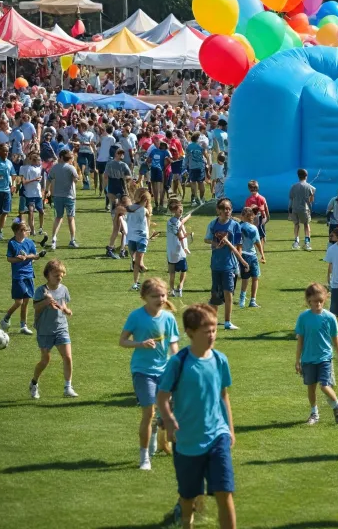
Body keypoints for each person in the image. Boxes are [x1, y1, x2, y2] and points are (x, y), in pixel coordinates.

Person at [157, 303, 236, 529]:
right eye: (206, 330)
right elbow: (162, 397)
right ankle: (185, 523)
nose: (211, 335)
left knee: (224, 492)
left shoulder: (220, 360)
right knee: (188, 497)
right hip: (187, 441)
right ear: (190, 333)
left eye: (214, 329)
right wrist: (170, 420)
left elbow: (223, 396)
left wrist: (229, 429)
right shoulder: (179, 363)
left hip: (217, 436)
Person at [119, 278, 179, 471]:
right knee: (149, 412)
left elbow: (173, 344)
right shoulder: (136, 317)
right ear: (144, 297)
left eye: (162, 295)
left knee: (169, 409)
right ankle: (144, 456)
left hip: (165, 370)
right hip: (142, 371)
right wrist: (140, 344)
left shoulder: (169, 318)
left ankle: (156, 434)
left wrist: (178, 365)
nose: (160, 299)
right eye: (154, 296)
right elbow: (123, 341)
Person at [294, 283, 338, 425]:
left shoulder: (329, 317)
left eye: (321, 301)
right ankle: (314, 413)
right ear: (308, 300)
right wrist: (297, 360)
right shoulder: (303, 317)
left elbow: (335, 338)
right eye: (315, 301)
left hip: (325, 358)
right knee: (311, 387)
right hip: (308, 359)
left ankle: (337, 406)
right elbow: (300, 341)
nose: (318, 304)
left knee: (324, 385)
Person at [30, 259, 77, 399]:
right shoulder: (41, 291)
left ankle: (68, 387)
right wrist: (46, 301)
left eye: (61, 274)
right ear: (48, 275)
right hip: (44, 330)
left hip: (61, 327)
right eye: (56, 275)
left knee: (68, 357)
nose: (59, 277)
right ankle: (34, 383)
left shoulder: (64, 289)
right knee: (45, 360)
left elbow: (64, 305)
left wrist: (67, 311)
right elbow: (36, 307)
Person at [205, 198, 248, 331]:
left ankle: (228, 322)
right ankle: (213, 321)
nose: (227, 211)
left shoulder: (235, 225)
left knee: (228, 293)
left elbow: (237, 245)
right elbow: (206, 239)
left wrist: (241, 262)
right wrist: (215, 244)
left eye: (229, 209)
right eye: (224, 209)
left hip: (229, 265)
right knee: (216, 295)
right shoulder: (213, 224)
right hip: (216, 264)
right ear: (218, 210)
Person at [1, 219, 44, 335]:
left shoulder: (29, 242)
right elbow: (9, 259)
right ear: (18, 231)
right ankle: (6, 318)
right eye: (25, 230)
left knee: (26, 301)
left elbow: (35, 256)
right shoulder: (12, 243)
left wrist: (28, 256)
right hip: (18, 275)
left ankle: (23, 325)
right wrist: (18, 259)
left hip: (29, 274)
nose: (27, 231)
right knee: (19, 302)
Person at [46, 149, 79, 251]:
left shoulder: (54, 168)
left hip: (58, 196)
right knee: (71, 218)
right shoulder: (71, 168)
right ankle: (72, 240)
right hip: (70, 197)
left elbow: (49, 179)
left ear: (60, 157)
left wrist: (47, 190)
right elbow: (76, 179)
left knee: (58, 217)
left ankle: (54, 239)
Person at [127, 190, 153, 292]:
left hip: (131, 238)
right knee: (139, 263)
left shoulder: (129, 208)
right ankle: (146, 281)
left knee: (136, 262)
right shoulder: (144, 210)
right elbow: (148, 223)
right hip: (141, 238)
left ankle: (135, 283)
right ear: (146, 200)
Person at [167, 199, 193, 298]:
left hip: (170, 252)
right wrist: (185, 246)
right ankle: (180, 287)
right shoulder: (176, 223)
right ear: (175, 211)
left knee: (172, 273)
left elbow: (181, 221)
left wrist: (189, 215)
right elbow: (180, 236)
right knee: (183, 270)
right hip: (179, 251)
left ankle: (172, 290)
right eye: (180, 211)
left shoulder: (171, 221)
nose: (181, 212)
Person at [237, 207, 261, 309]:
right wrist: (262, 254)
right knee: (254, 278)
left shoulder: (238, 226)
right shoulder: (253, 228)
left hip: (243, 255)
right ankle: (251, 300)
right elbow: (257, 242)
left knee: (245, 278)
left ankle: (243, 299)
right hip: (251, 255)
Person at [18, 150, 46, 238]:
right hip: (29, 194)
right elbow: (24, 182)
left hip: (37, 194)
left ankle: (41, 228)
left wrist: (43, 189)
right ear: (34, 160)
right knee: (30, 212)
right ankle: (32, 230)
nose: (40, 162)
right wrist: (35, 179)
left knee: (41, 211)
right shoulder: (28, 169)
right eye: (38, 160)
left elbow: (42, 179)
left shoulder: (40, 168)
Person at [288, 168, 315, 251]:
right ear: (306, 176)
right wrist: (312, 194)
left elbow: (291, 199)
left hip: (294, 208)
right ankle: (307, 243)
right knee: (306, 225)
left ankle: (296, 242)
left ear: (298, 176)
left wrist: (290, 210)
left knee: (296, 225)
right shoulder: (309, 187)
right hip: (304, 209)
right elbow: (311, 201)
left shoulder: (293, 186)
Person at [245, 180, 269, 261]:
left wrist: (267, 217)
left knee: (260, 236)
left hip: (260, 219)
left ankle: (261, 253)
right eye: (252, 189)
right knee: (255, 236)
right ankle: (256, 251)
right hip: (253, 220)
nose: (253, 190)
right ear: (249, 189)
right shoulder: (249, 200)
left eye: (255, 188)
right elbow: (247, 211)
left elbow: (265, 209)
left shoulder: (261, 198)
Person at [185, 132, 208, 206]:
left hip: (192, 167)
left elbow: (186, 158)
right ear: (197, 139)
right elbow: (206, 156)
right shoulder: (200, 147)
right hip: (200, 167)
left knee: (193, 183)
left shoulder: (189, 147)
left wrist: (184, 167)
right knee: (201, 183)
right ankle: (201, 199)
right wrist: (208, 163)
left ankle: (195, 199)